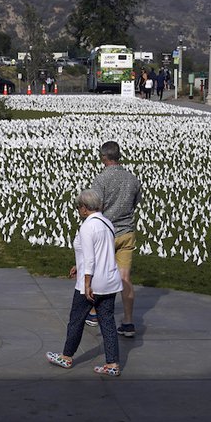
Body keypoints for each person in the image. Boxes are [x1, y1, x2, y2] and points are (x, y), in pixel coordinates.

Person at [45, 189, 122, 377]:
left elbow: (90, 259)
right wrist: (78, 265)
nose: (78, 210)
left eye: (78, 207)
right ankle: (112, 364)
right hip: (110, 280)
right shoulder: (107, 223)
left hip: (92, 282)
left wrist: (87, 284)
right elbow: (100, 252)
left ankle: (66, 357)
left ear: (85, 208)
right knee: (107, 322)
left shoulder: (88, 226)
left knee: (76, 321)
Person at [85, 141, 142, 337]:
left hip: (106, 233)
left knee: (98, 273)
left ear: (104, 157)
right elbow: (135, 203)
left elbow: (95, 206)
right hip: (126, 233)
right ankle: (128, 323)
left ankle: (93, 314)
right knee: (125, 278)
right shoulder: (133, 179)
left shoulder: (100, 180)